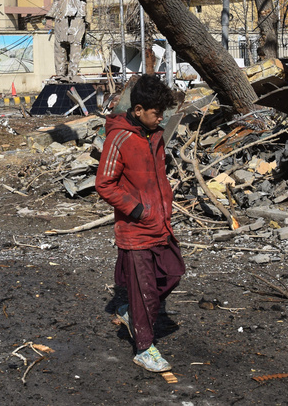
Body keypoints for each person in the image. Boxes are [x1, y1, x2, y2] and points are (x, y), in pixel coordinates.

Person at [95, 74, 182, 373]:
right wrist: (138, 211)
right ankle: (144, 349)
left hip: (160, 224)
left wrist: (163, 207)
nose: (161, 118)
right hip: (135, 228)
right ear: (138, 110)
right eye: (156, 113)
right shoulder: (119, 138)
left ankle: (132, 310)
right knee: (145, 293)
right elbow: (104, 184)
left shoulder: (155, 135)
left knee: (174, 272)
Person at [47, 0, 93, 79]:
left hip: (78, 15)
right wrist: (50, 15)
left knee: (75, 43)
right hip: (61, 14)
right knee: (59, 44)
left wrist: (89, 18)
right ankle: (60, 73)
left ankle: (72, 74)